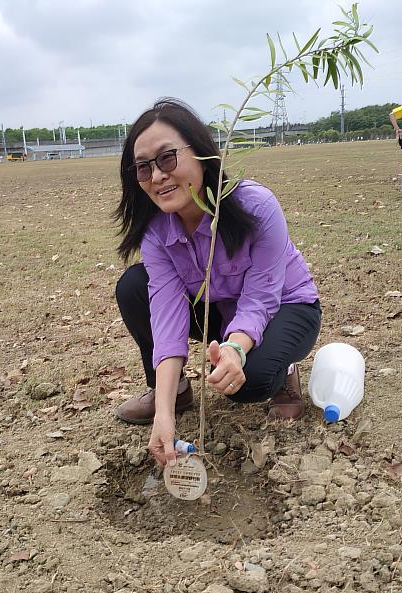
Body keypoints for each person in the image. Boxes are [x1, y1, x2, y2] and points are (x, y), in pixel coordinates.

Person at [113, 98, 322, 467]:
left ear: (202, 154)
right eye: (143, 168)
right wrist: (165, 415)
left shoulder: (255, 206)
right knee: (133, 286)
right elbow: (167, 316)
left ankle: (284, 367)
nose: (157, 176)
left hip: (285, 307)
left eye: (167, 158)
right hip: (218, 312)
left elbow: (262, 297)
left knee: (250, 382)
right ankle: (175, 392)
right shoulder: (157, 230)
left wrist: (236, 350)